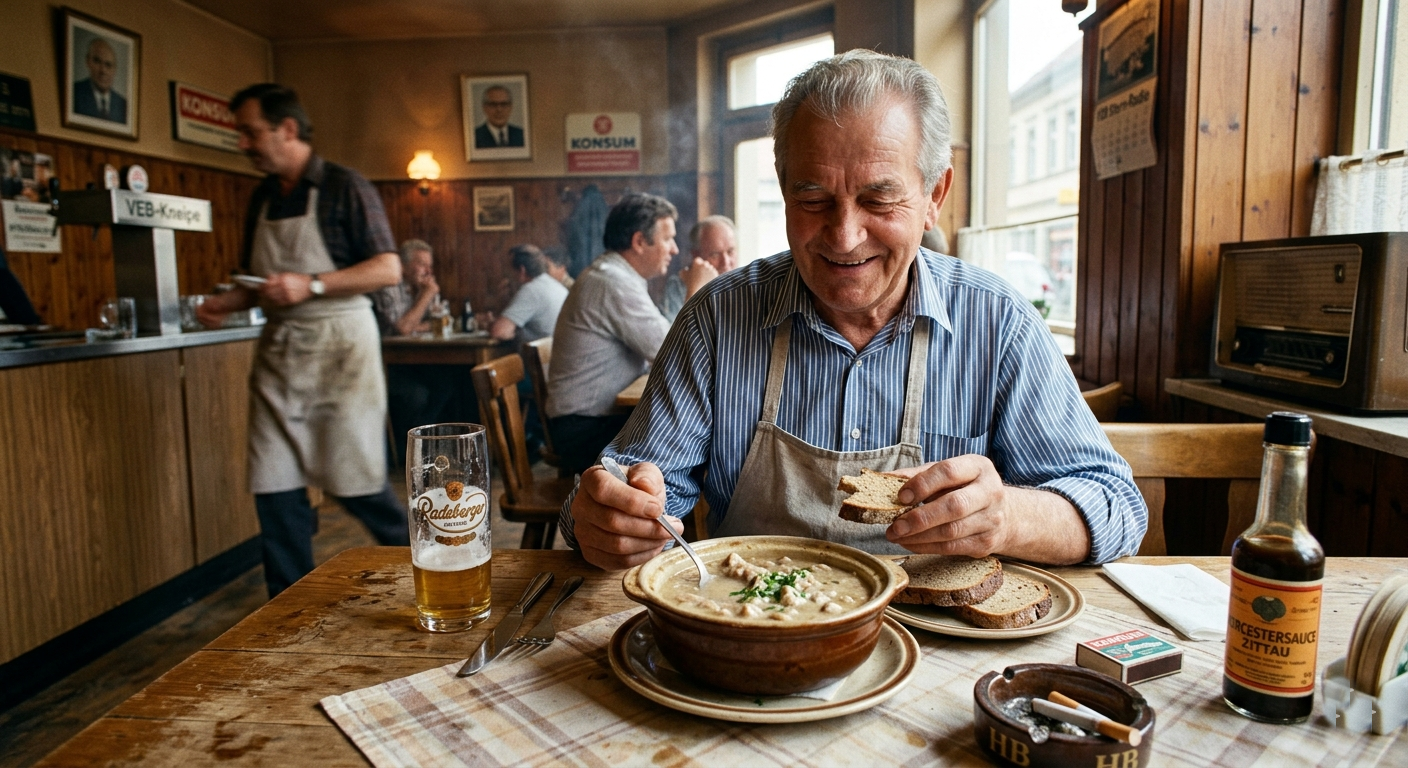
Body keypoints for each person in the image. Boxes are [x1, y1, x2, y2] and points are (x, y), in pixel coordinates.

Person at [563, 51, 1147, 571]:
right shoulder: (716, 319)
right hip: (753, 641)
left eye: (879, 198)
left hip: (941, 652)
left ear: (934, 197)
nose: (843, 237)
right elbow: (621, 486)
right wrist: (601, 519)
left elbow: (1118, 507)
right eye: (813, 199)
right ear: (785, 190)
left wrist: (1009, 518)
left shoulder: (999, 323)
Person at [196, 83, 409, 598]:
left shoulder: (344, 186)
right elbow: (259, 277)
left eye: (250, 132)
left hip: (339, 350)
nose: (243, 144)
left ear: (286, 129)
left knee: (357, 483)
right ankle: (285, 607)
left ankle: (431, 569)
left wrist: (311, 284)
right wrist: (229, 301)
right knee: (274, 487)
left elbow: (387, 268)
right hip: (280, 354)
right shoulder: (263, 196)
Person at [546, 193, 677, 475]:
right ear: (640, 241)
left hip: (588, 421)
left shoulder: (615, 275)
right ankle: (686, 518)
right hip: (584, 430)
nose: (674, 249)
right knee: (689, 442)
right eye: (668, 239)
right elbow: (674, 352)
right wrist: (699, 291)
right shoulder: (612, 282)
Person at [659, 215, 738, 322]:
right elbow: (675, 335)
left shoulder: (748, 283)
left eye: (730, 251)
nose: (726, 262)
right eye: (715, 255)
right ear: (696, 255)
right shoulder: (679, 285)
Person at [489, 244, 568, 342]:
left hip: (542, 355)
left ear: (522, 271)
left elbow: (500, 332)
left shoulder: (531, 290)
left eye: (509, 270)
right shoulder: (555, 286)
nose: (507, 277)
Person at [72, 37, 127, 123]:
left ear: (114, 70)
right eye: (97, 61)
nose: (103, 70)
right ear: (88, 62)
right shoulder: (74, 93)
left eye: (108, 65)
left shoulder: (123, 105)